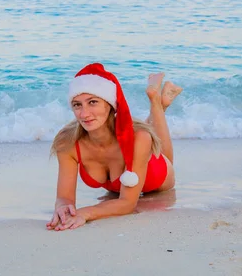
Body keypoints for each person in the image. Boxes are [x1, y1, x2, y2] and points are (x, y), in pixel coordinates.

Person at [46, 63, 182, 231]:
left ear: (109, 104)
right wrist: (62, 207)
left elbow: (127, 204)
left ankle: (156, 102)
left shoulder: (139, 138)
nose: (84, 114)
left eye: (92, 102)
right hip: (125, 152)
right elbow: (64, 198)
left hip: (157, 176)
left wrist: (86, 213)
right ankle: (159, 103)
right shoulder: (66, 143)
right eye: (77, 105)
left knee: (153, 145)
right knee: (140, 135)